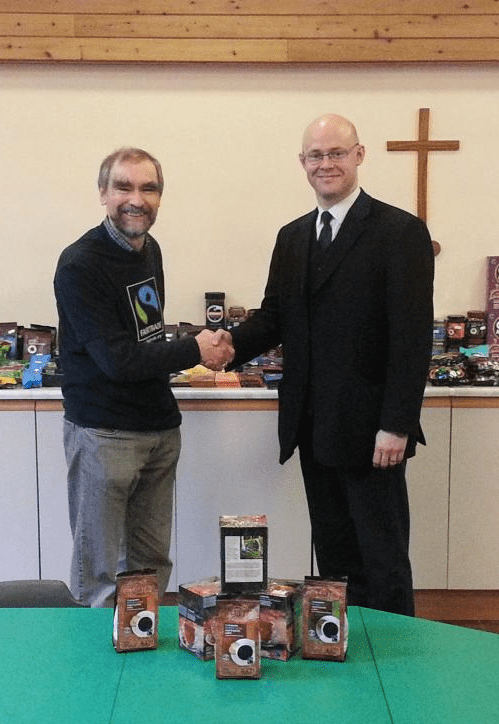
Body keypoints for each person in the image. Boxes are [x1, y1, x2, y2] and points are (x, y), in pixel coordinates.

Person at [222, 114, 434, 615]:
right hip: (313, 427)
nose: (326, 164)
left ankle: (392, 652)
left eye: (336, 152)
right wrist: (223, 347)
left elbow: (411, 339)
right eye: (315, 155)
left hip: (373, 432)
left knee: (381, 557)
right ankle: (337, 643)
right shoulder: (292, 237)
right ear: (302, 162)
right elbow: (274, 318)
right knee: (334, 558)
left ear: (359, 155)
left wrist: (397, 425)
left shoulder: (400, 232)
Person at [54, 146, 232, 606]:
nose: (137, 199)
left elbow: (147, 339)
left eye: (148, 188)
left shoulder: (149, 249)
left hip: (158, 430)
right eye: (124, 187)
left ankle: (142, 643)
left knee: (151, 564)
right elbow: (118, 360)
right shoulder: (79, 265)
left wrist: (198, 346)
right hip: (104, 435)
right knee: (97, 574)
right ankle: (94, 650)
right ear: (102, 193)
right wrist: (195, 348)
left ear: (160, 197)